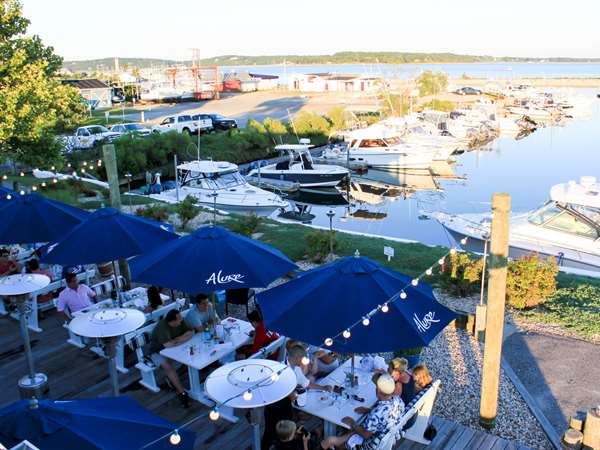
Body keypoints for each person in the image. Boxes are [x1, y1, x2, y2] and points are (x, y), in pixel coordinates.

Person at [321, 373, 404, 449]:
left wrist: (352, 423)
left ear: (378, 390)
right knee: (361, 423)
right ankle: (338, 440)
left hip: (372, 445)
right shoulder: (398, 401)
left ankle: (336, 443)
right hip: (389, 437)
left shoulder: (376, 414)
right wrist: (369, 410)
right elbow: (384, 414)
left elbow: (365, 435)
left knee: (356, 425)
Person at [148, 309, 193, 408]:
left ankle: (178, 379)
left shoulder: (180, 321)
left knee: (192, 354)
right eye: (179, 319)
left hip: (175, 348)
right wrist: (183, 339)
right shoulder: (162, 328)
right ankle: (182, 393)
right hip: (158, 351)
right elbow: (168, 345)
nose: (181, 320)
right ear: (172, 321)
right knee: (168, 366)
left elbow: (191, 332)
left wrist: (180, 339)